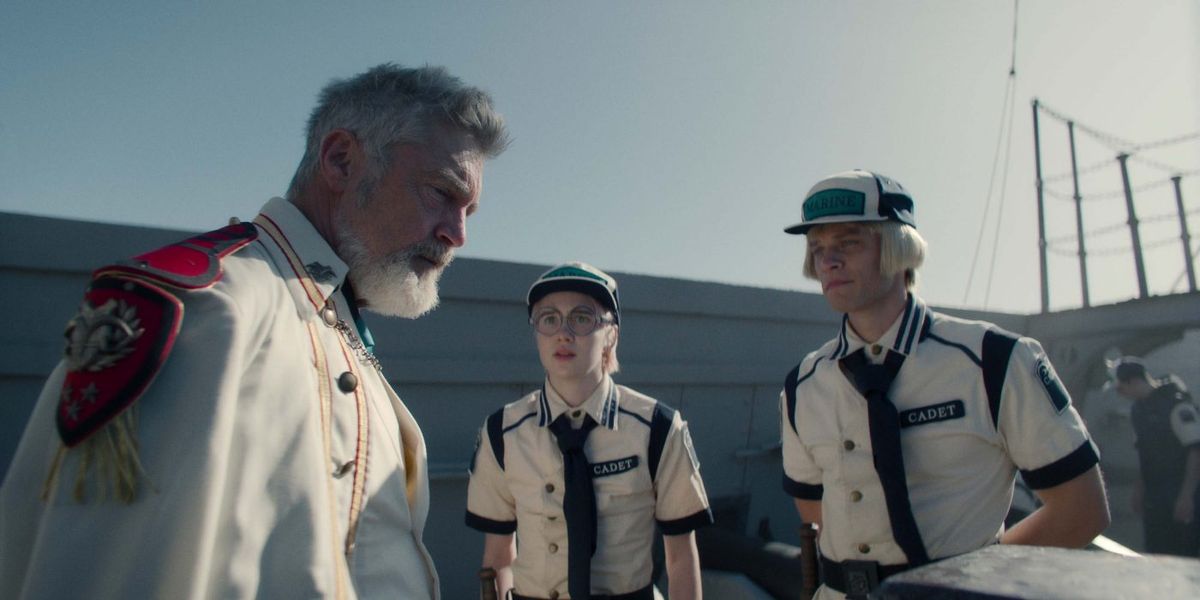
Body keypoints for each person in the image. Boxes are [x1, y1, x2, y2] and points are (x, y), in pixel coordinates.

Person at [0, 63, 508, 599]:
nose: (458, 234)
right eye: (441, 193)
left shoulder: (332, 317)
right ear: (340, 160)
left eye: (469, 211)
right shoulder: (208, 305)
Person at [778, 170, 1110, 599]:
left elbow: (1081, 510)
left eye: (849, 242)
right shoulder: (804, 385)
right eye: (817, 248)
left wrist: (968, 584)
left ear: (899, 247)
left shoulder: (994, 360)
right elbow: (815, 511)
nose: (829, 261)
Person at [465, 262, 713, 600]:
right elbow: (498, 556)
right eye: (548, 318)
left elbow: (681, 558)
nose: (563, 333)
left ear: (611, 334)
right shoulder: (503, 433)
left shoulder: (657, 429)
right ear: (536, 333)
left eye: (582, 318)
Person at [1110, 356, 1200, 556]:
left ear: (1133, 381)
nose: (1121, 394)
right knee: (1156, 550)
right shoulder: (1139, 410)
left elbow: (1195, 451)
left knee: (1184, 551)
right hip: (1155, 494)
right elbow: (1145, 453)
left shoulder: (1175, 405)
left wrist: (1186, 495)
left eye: (1121, 388)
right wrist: (1140, 488)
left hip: (1180, 489)